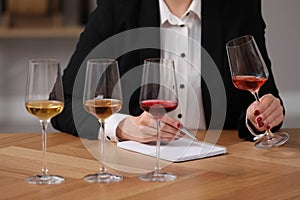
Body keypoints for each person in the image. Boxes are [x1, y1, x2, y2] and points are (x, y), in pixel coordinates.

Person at [51, 0, 285, 143]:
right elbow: (63, 102)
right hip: (136, 171)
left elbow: (263, 99)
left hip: (224, 168)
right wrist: (122, 127)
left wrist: (259, 117)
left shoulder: (239, 6)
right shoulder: (118, 6)